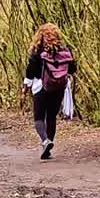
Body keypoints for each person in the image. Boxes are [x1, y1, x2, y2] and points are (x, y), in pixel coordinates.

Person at [22, 23, 76, 159]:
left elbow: (30, 71)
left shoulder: (37, 51)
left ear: (40, 36)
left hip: (40, 86)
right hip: (59, 87)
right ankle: (49, 146)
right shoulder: (64, 50)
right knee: (51, 117)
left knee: (39, 118)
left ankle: (45, 141)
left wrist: (25, 87)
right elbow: (73, 68)